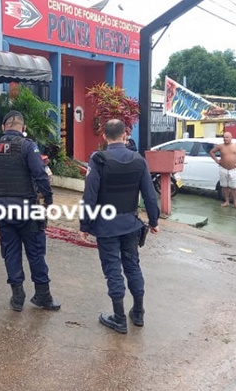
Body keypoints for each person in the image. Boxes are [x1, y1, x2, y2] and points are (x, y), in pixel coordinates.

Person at [79, 119, 160, 334]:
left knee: (113, 270)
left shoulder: (98, 160)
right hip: (131, 225)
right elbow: (150, 195)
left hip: (106, 227)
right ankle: (139, 313)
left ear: (104, 136)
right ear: (125, 135)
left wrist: (84, 225)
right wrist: (154, 221)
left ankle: (119, 318)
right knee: (132, 266)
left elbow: (90, 195)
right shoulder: (139, 160)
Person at [0, 110, 61, 313]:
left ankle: (17, 297)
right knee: (35, 252)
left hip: (2, 208)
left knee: (10, 251)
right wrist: (48, 199)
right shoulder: (28, 146)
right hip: (27, 208)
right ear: (23, 128)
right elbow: (40, 175)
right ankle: (42, 295)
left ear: (3, 127)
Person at [209, 132, 236, 210]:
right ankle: (226, 201)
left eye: (227, 137)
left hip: (233, 169)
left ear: (231, 137)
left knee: (233, 187)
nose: (225, 139)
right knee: (224, 186)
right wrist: (216, 160)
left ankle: (235, 203)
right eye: (224, 137)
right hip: (223, 168)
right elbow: (211, 152)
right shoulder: (220, 146)